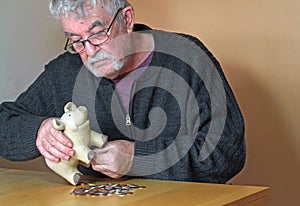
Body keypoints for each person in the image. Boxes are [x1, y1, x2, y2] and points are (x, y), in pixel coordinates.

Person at [0, 0, 246, 183]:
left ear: (126, 20)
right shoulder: (64, 71)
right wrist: (38, 132)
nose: (90, 51)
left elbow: (227, 153)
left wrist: (138, 159)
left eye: (97, 34)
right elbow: (4, 124)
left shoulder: (188, 57)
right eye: (76, 40)